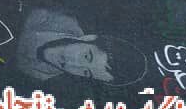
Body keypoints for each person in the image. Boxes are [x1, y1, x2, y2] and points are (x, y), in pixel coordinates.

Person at [15, 7, 148, 87]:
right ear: (88, 38)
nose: (72, 65)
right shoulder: (48, 13)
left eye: (86, 73)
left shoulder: (39, 76)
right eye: (86, 56)